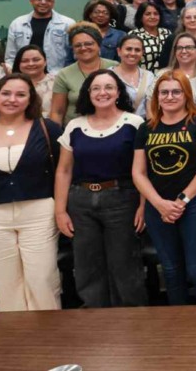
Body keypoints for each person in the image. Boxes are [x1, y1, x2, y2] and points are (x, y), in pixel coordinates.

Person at [54, 70, 146, 308]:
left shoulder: (135, 124)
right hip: (81, 202)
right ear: (88, 93)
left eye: (108, 87)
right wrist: (60, 211)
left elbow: (144, 172)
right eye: (95, 88)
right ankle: (95, 320)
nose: (102, 93)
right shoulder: (75, 126)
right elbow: (64, 170)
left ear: (118, 92)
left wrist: (143, 206)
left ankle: (132, 319)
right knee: (87, 266)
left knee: (124, 264)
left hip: (122, 200)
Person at [0, 74, 62, 311]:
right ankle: (16, 334)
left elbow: (63, 172)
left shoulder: (48, 129)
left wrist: (62, 209)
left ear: (30, 100)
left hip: (39, 214)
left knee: (42, 280)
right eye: (6, 93)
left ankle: (49, 332)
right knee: (6, 285)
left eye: (20, 94)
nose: (12, 99)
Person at [132, 70, 196, 305]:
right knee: (170, 270)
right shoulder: (146, 128)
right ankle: (179, 323)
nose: (170, 97)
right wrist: (159, 204)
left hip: (194, 204)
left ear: (186, 95)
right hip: (157, 206)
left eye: (176, 92)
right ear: (157, 97)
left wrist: (181, 201)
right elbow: (138, 173)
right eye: (164, 92)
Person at [50, 23, 116, 126]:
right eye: (78, 45)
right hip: (74, 130)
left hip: (112, 126)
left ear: (99, 45)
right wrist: (57, 134)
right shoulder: (64, 74)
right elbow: (57, 112)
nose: (83, 48)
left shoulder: (115, 68)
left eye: (88, 44)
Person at [5, 0, 75, 72]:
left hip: (57, 74)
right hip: (24, 74)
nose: (43, 2)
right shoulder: (17, 23)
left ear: (53, 3)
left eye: (48, 0)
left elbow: (74, 54)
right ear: (31, 1)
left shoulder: (68, 24)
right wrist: (12, 72)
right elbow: (10, 56)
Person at [161, 32, 196, 107]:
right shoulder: (162, 75)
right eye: (179, 48)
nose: (184, 51)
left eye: (189, 47)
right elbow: (152, 103)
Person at [110, 35, 155, 118]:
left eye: (137, 50)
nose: (133, 53)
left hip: (142, 123)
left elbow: (151, 106)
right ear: (119, 51)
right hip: (116, 122)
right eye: (128, 49)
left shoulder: (149, 76)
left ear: (142, 53)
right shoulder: (108, 75)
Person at [12, 46, 56, 118]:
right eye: (25, 61)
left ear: (45, 62)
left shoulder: (57, 82)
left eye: (36, 60)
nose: (31, 64)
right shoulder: (10, 84)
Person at [132, 3, 171, 74]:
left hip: (166, 76)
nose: (152, 17)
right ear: (140, 17)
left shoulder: (167, 33)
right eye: (148, 14)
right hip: (143, 76)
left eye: (156, 14)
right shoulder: (134, 35)